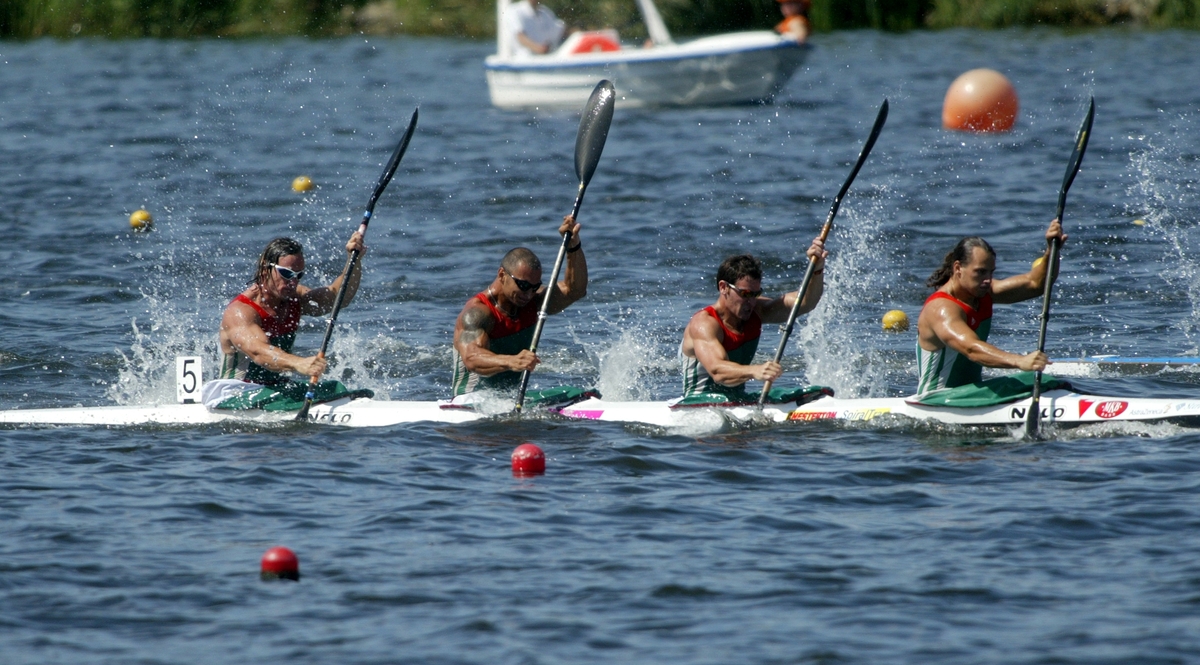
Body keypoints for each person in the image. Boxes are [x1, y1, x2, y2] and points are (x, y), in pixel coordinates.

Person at [915, 219, 1066, 396]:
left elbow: (1036, 284)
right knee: (1030, 381)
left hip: (969, 394)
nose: (987, 279)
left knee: (1045, 382)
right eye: (980, 272)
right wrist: (1020, 361)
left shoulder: (983, 292)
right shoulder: (941, 308)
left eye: (990, 272)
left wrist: (1052, 249)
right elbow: (971, 348)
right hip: (937, 398)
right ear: (958, 268)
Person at [452, 216, 586, 397]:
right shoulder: (478, 313)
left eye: (534, 287)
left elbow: (574, 290)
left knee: (578, 394)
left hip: (510, 400)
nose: (529, 294)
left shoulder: (533, 302)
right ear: (502, 275)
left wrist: (573, 246)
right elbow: (472, 358)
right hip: (471, 399)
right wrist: (512, 361)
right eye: (523, 286)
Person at [679, 238, 827, 399]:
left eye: (755, 294)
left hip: (738, 399)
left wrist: (816, 270)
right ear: (723, 287)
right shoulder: (704, 323)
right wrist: (755, 371)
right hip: (699, 402)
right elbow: (718, 371)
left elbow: (805, 302)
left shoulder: (757, 310)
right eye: (745, 294)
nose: (751, 301)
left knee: (813, 394)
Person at [219, 232, 365, 388]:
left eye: (298, 275)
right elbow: (259, 352)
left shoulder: (295, 299)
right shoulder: (240, 311)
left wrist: (353, 260)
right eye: (287, 274)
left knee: (336, 388)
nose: (293, 282)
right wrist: (299, 363)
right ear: (264, 268)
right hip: (236, 392)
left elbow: (337, 298)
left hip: (276, 388)